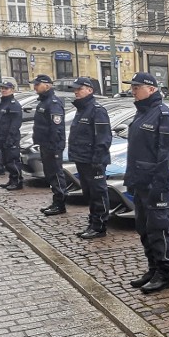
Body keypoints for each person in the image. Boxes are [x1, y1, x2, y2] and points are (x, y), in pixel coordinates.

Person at [123, 72, 169, 293]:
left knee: (158, 230)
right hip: (140, 184)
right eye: (133, 87)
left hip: (156, 186)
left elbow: (168, 156)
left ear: (152, 89)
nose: (133, 90)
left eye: (137, 87)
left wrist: (160, 186)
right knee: (144, 229)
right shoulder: (141, 114)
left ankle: (164, 274)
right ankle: (152, 268)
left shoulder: (163, 115)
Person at [67, 77, 112, 239]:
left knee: (98, 193)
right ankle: (93, 222)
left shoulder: (97, 110)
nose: (76, 92)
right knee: (89, 193)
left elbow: (103, 139)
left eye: (79, 89)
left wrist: (97, 160)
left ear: (90, 90)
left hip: (93, 161)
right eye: (75, 89)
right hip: (82, 159)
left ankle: (99, 226)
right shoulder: (82, 109)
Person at [30, 74, 67, 215]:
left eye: (37, 84)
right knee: (50, 175)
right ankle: (56, 202)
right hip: (46, 144)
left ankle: (60, 203)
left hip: (53, 146)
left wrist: (53, 146)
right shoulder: (44, 102)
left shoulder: (53, 103)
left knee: (56, 175)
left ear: (47, 85)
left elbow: (56, 127)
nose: (35, 87)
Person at [0, 81, 23, 191]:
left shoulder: (14, 104)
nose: (3, 90)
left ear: (12, 90)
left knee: (12, 161)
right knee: (6, 161)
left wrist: (10, 139)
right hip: (2, 137)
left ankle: (17, 181)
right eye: (2, 88)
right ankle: (11, 180)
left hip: (11, 138)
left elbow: (15, 124)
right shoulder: (3, 103)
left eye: (5, 89)